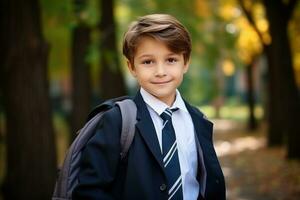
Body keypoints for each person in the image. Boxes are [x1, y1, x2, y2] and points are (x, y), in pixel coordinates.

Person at [72, 14, 225, 200]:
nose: (160, 72)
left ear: (186, 62)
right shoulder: (116, 121)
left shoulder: (198, 121)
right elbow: (90, 191)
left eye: (171, 60)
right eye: (148, 62)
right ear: (132, 67)